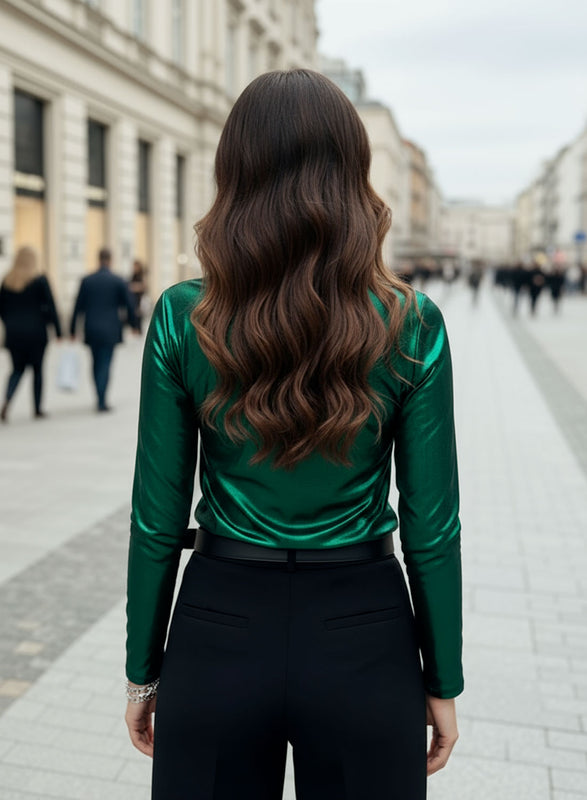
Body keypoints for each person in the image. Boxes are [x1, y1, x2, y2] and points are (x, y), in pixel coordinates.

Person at [125, 70, 463, 800]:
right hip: (364, 630)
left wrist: (143, 671)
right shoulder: (410, 322)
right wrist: (442, 679)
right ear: (353, 175)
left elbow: (155, 518)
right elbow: (432, 527)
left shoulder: (185, 315)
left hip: (218, 622)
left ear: (234, 173)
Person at [70, 247, 137, 412]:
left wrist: (72, 329)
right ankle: (101, 399)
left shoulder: (87, 280)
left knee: (95, 363)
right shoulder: (118, 280)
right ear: (110, 260)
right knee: (105, 363)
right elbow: (129, 305)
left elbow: (77, 307)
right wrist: (134, 325)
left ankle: (99, 395)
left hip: (91, 327)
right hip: (110, 328)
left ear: (98, 259)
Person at [0, 246, 61, 422]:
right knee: (37, 370)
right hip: (36, 333)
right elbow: (51, 306)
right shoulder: (40, 280)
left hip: (14, 334)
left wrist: (10, 323)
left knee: (17, 369)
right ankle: (37, 408)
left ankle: (7, 401)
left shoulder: (8, 281)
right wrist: (58, 331)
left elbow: (2, 309)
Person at [128, 259, 147, 333]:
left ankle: (139, 330)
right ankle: (134, 329)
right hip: (133, 299)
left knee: (139, 315)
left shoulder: (141, 275)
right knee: (134, 314)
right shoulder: (133, 276)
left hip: (140, 299)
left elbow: (144, 286)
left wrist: (135, 287)